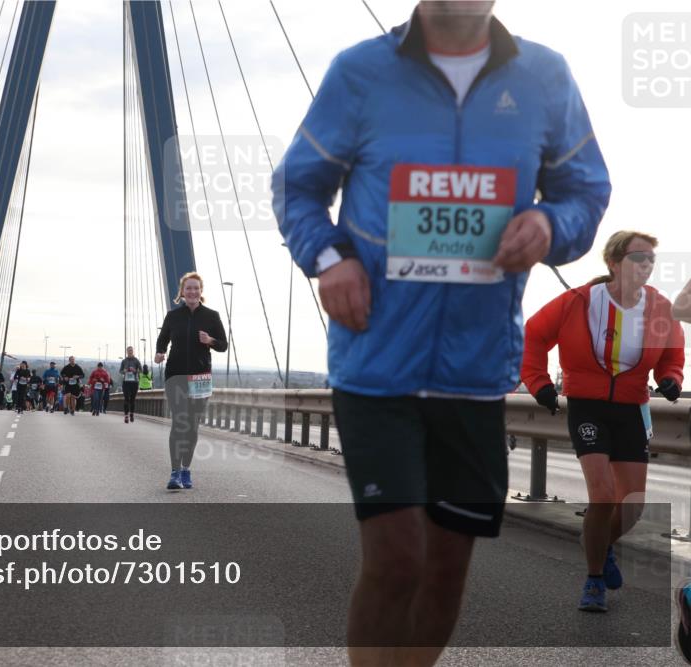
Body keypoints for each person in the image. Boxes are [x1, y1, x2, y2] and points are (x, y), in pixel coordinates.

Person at [271, 2, 611, 663]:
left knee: (447, 566)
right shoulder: (361, 72)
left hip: (475, 371)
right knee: (398, 556)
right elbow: (296, 187)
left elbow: (585, 191)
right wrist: (330, 258)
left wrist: (549, 226)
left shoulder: (546, 76)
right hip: (375, 362)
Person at [522, 231, 684, 612]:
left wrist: (672, 378)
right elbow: (533, 335)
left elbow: (672, 352)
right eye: (637, 257)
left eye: (650, 260)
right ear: (613, 262)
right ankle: (593, 580)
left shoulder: (659, 307)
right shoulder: (579, 301)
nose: (645, 265)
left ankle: (600, 543)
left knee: (633, 506)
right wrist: (539, 383)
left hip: (631, 408)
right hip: (587, 407)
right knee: (603, 494)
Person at [155, 272, 227, 490]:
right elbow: (162, 340)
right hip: (175, 375)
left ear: (201, 291)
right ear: (182, 292)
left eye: (196, 288)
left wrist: (210, 340)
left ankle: (186, 469)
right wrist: (159, 352)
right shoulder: (172, 316)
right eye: (188, 288)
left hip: (200, 377)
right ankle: (175, 472)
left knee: (192, 426)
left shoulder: (212, 316)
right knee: (179, 424)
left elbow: (223, 345)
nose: (192, 292)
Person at [120, 346, 142, 423]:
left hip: (134, 383)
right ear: (127, 352)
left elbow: (141, 370)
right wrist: (124, 371)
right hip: (126, 382)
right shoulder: (124, 361)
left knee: (132, 399)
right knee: (126, 399)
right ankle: (126, 416)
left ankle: (131, 414)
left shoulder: (136, 361)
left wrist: (135, 370)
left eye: (131, 350)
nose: (130, 352)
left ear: (133, 351)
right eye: (129, 350)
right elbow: (120, 371)